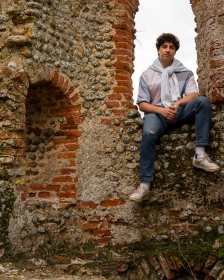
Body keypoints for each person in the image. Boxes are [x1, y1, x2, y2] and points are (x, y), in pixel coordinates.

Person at [129, 33, 220, 203]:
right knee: (148, 134)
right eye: (164, 47)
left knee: (203, 102)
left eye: (171, 47)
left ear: (175, 51)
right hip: (157, 114)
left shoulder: (185, 72)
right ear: (158, 50)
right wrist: (162, 111)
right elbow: (142, 104)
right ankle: (144, 186)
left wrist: (176, 105)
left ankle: (200, 156)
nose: (168, 50)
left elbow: (193, 93)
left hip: (179, 112)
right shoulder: (147, 74)